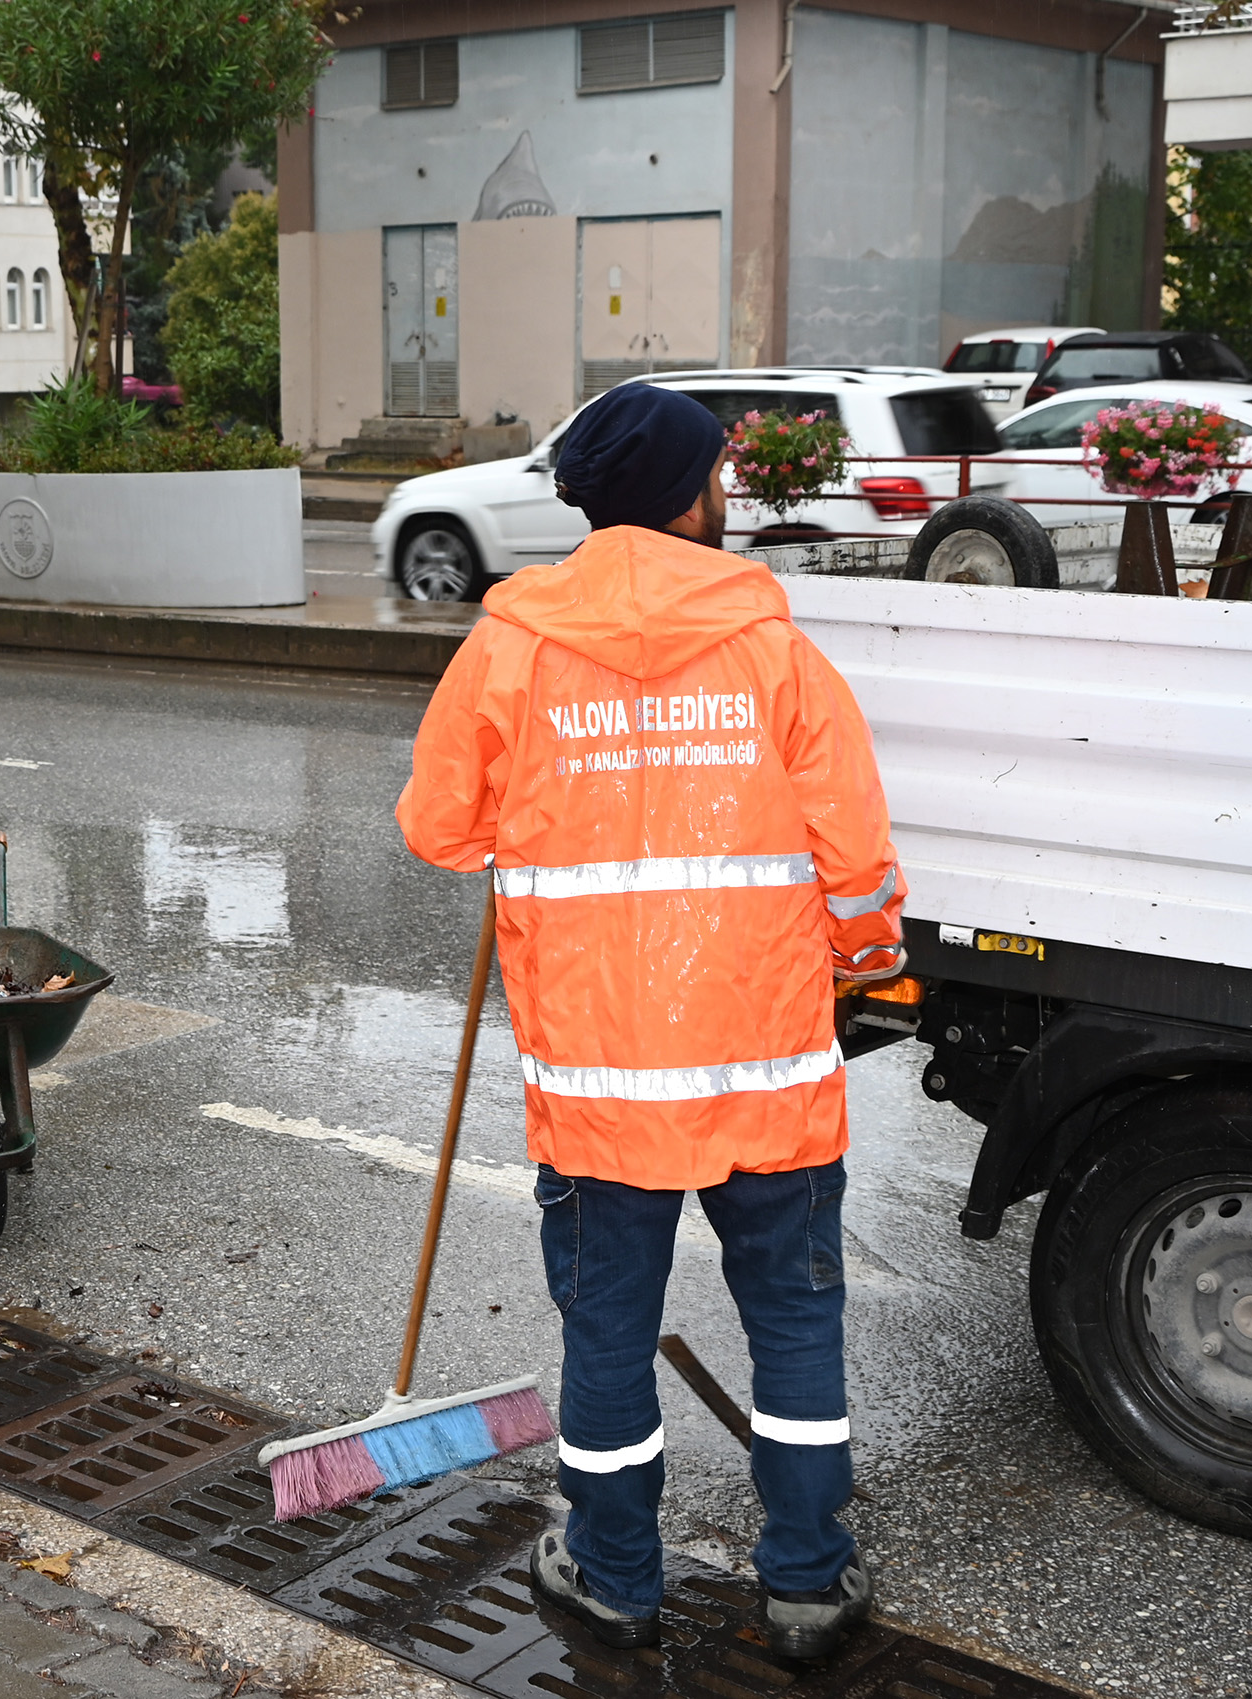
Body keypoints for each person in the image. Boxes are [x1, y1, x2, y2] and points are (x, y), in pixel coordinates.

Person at [395, 383, 906, 1661]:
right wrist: (864, 957)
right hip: (768, 1076)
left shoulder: (512, 646)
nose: (725, 492)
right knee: (794, 1326)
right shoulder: (775, 652)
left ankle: (615, 1575)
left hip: (600, 1088)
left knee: (609, 1334)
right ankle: (806, 1583)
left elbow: (438, 828)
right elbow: (856, 863)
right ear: (685, 496)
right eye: (716, 474)